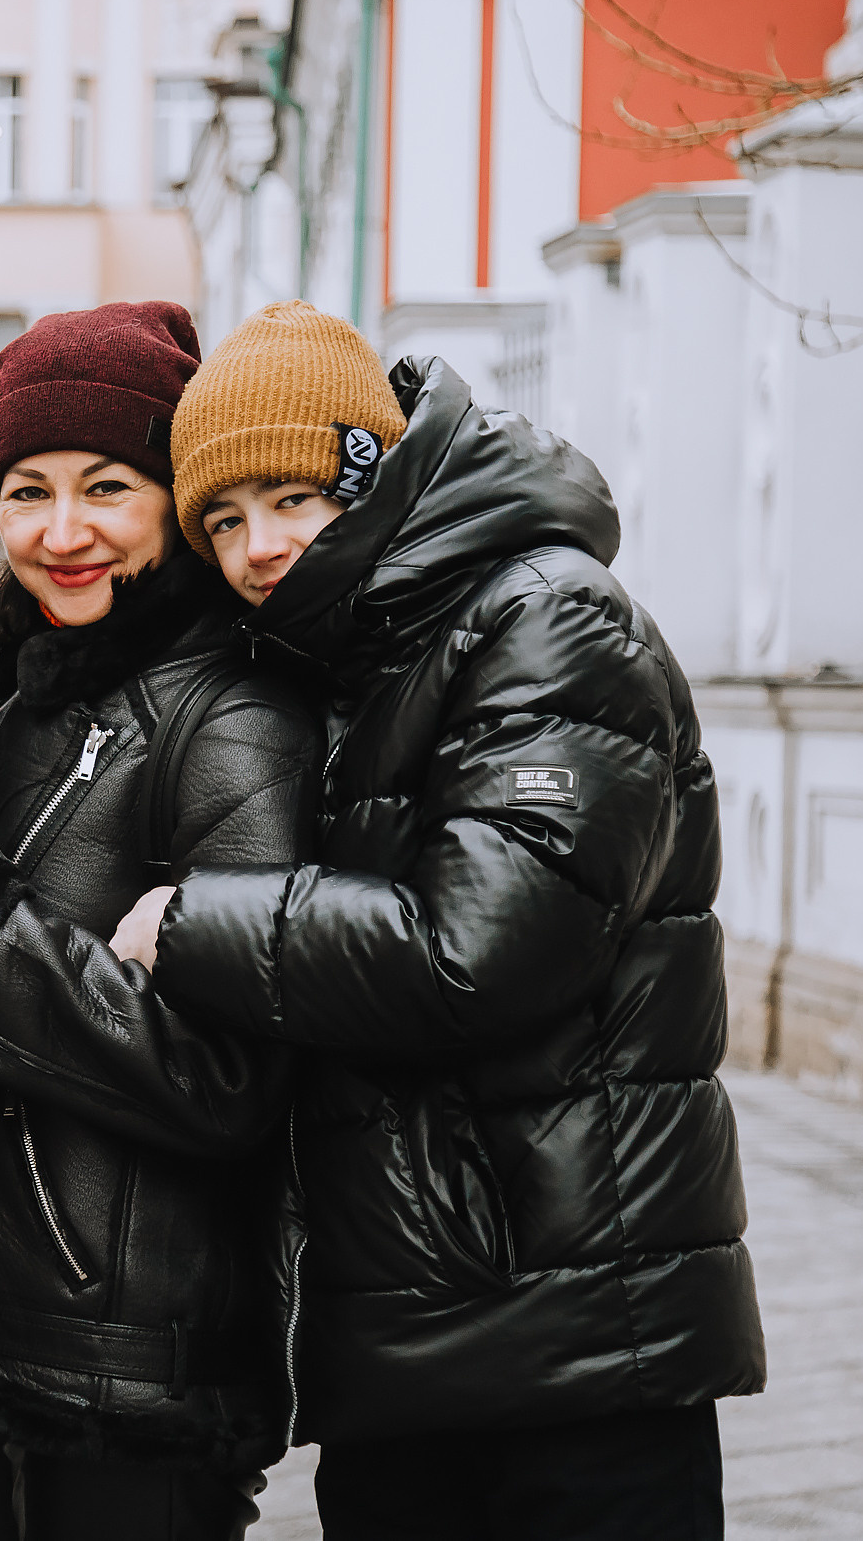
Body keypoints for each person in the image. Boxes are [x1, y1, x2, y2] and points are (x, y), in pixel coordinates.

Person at [120, 301, 765, 1540]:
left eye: (290, 498)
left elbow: (483, 949)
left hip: (575, 1343)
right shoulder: (350, 655)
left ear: (371, 472)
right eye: (222, 518)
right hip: (414, 1339)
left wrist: (193, 925)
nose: (257, 545)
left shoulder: (548, 620)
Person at [0, 303, 319, 1541]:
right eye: (26, 490)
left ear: (173, 495)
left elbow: (228, 1075)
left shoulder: (233, 715)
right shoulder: (15, 696)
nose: (61, 531)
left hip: (127, 1376)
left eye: (107, 485)